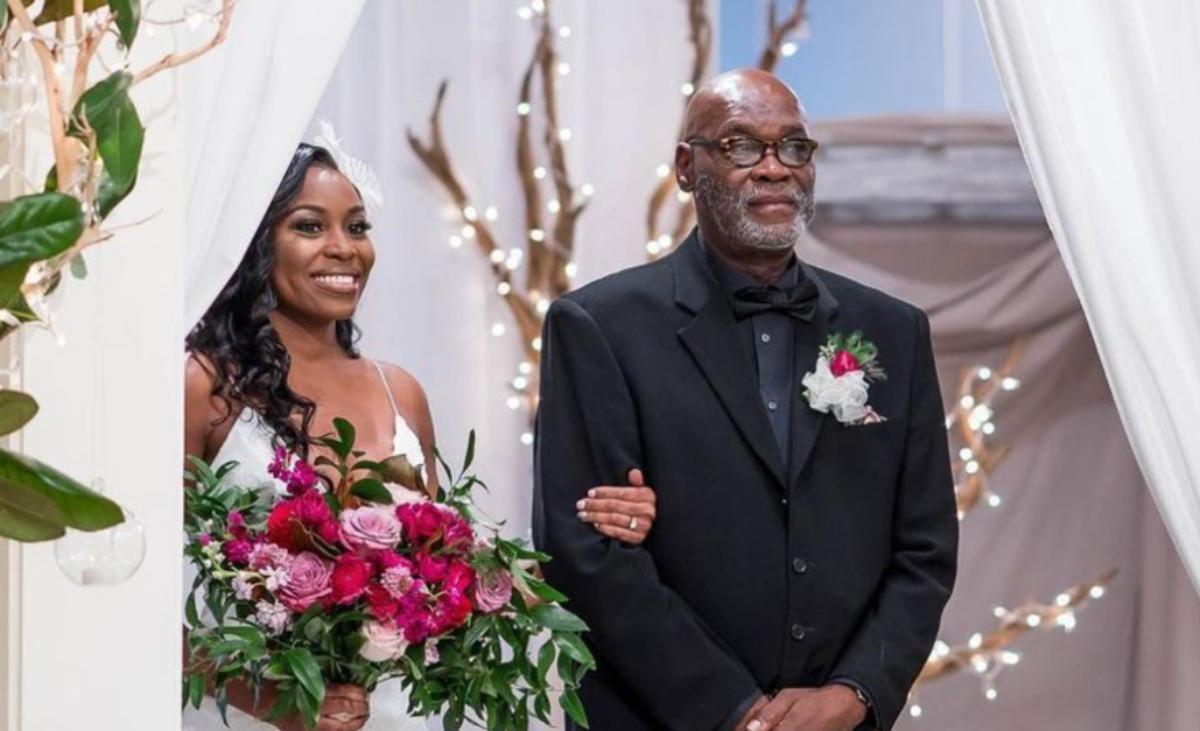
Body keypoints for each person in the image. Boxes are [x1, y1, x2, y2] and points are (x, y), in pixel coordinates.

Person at [533, 69, 958, 731]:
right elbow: (586, 551)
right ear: (685, 166)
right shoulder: (598, 326)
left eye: (794, 148)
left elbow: (925, 549)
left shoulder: (894, 332)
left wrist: (854, 693)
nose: (773, 168)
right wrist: (733, 710)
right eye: (740, 146)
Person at [182, 143, 656, 731]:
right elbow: (144, 601)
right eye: (310, 226)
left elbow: (452, 571)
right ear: (254, 244)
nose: (344, 248)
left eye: (357, 227)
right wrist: (277, 700)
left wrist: (608, 519)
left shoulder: (397, 390)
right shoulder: (203, 385)